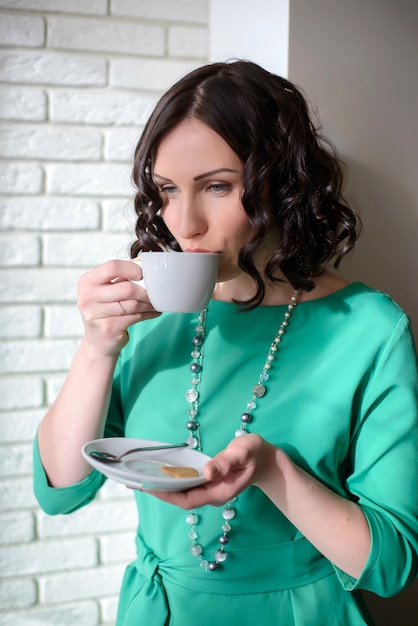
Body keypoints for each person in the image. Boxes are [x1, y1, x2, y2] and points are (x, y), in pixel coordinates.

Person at [33, 60, 418, 626]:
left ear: (285, 184)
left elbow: (391, 566)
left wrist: (273, 472)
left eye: (217, 186)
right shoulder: (149, 316)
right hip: (157, 611)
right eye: (166, 190)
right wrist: (96, 347)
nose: (183, 223)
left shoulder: (369, 328)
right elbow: (61, 492)